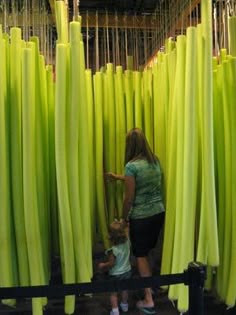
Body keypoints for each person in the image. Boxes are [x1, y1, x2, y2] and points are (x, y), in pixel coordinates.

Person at [106, 128, 165, 315]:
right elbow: (139, 179)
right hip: (158, 213)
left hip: (141, 217)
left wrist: (123, 219)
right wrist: (118, 177)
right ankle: (152, 286)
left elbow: (129, 198)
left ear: (129, 146)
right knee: (149, 251)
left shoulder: (131, 165)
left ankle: (148, 299)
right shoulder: (154, 161)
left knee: (140, 255)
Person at [98, 220, 131, 315]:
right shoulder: (127, 242)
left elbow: (111, 264)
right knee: (125, 289)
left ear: (111, 236)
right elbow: (127, 231)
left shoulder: (113, 251)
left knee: (113, 293)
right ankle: (124, 305)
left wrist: (103, 265)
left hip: (116, 274)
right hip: (127, 271)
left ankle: (115, 310)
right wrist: (126, 224)